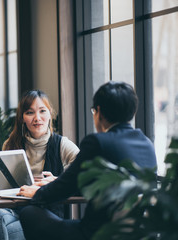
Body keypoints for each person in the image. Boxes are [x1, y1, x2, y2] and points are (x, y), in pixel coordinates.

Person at [17, 81, 157, 240]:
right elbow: (86, 185)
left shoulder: (98, 142)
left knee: (29, 213)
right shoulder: (147, 144)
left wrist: (37, 193)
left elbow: (66, 186)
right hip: (135, 233)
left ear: (99, 112)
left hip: (95, 234)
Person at [0, 90, 80, 240]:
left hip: (47, 213)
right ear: (22, 118)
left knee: (11, 229)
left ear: (50, 114)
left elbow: (85, 174)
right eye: (30, 112)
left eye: (42, 111)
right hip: (16, 210)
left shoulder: (63, 145)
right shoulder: (11, 145)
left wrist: (56, 180)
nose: (37, 118)